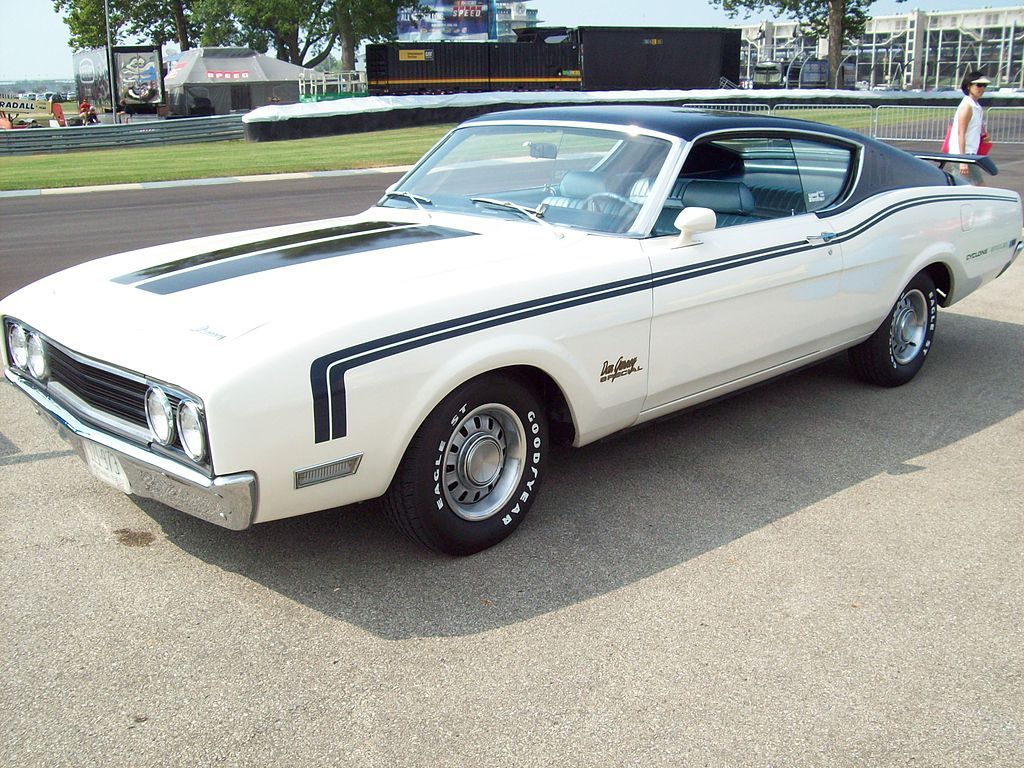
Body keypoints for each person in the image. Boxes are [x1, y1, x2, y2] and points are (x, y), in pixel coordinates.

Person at [947, 69, 991, 185]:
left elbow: (977, 123)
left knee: (964, 188)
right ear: (968, 86)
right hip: (962, 155)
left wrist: (984, 133)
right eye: (979, 85)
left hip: (970, 154)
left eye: (984, 85)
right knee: (979, 187)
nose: (982, 89)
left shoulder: (976, 106)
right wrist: (963, 161)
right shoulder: (967, 107)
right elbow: (961, 133)